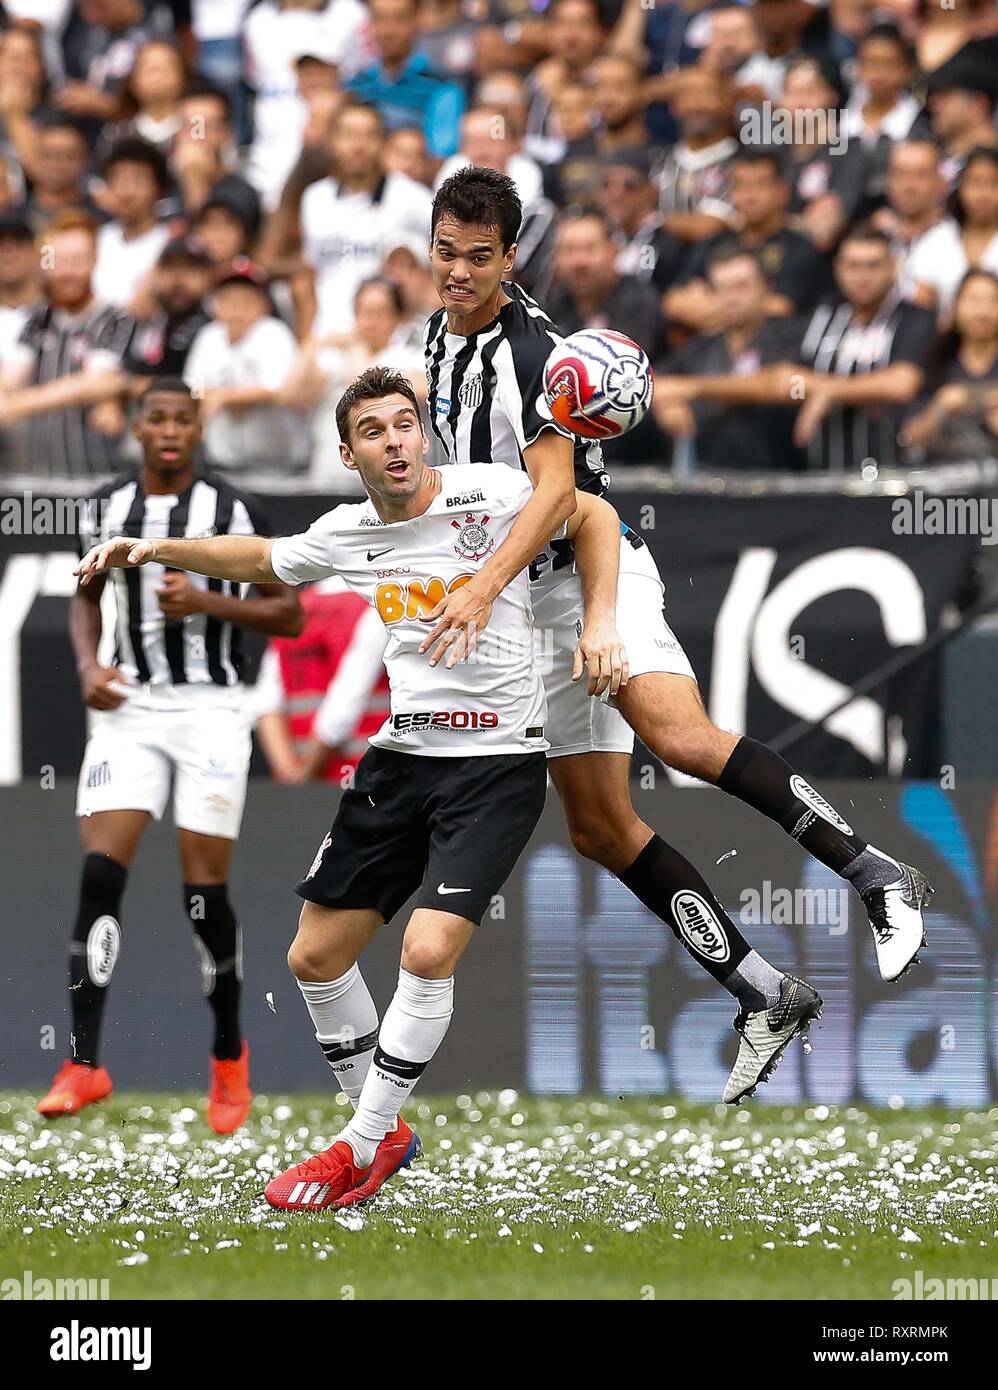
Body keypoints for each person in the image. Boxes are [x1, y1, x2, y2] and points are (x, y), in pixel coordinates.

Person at [423, 167, 932, 1101]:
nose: (459, 272)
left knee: (684, 739)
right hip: (521, 606)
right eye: (447, 253)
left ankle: (877, 877)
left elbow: (565, 500)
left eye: (480, 258)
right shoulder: (436, 338)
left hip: (585, 577)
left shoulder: (537, 355)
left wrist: (560, 610)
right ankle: (762, 991)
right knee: (600, 827)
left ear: (511, 256)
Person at [74, 365, 613, 1208]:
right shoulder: (351, 530)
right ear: (347, 452)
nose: (395, 441)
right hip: (400, 762)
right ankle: (384, 1131)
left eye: (406, 424)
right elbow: (262, 560)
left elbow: (596, 513)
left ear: (424, 431)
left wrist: (604, 622)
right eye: (374, 431)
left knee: (426, 952)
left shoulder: (494, 494)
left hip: (498, 766)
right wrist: (150, 548)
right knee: (313, 956)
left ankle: (357, 1146)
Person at [38, 377, 303, 1130]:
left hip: (214, 711)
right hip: (131, 711)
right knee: (98, 874)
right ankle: (84, 1063)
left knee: (203, 898)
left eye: (181, 420)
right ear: (137, 426)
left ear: (197, 428)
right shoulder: (105, 507)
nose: (167, 431)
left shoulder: (236, 511)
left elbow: (288, 613)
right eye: (155, 418)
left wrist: (209, 600)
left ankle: (227, 1057)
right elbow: (85, 594)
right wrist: (89, 666)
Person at [791, 221, 940, 469]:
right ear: (838, 268)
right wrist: (806, 391)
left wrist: (828, 392)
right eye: (853, 266)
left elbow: (901, 385)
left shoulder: (915, 318)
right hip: (820, 474)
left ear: (893, 268)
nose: (863, 276)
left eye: (873, 266)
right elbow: (791, 382)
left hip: (895, 475)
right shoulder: (822, 316)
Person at [0, 211, 133, 477]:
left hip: (99, 478)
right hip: (43, 479)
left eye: (77, 261)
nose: (66, 272)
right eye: (58, 261)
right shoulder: (40, 317)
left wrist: (16, 405)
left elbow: (94, 383)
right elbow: (12, 374)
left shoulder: (115, 319)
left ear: (94, 262)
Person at [654, 244, 805, 471]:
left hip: (781, 478)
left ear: (768, 288)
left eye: (742, 286)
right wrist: (665, 404)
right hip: (710, 480)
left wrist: (692, 389)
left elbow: (777, 384)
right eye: (722, 288)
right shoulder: (704, 345)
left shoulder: (791, 336)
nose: (732, 298)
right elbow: (655, 381)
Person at [297, 99, 433, 337]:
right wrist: (306, 339)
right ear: (332, 142)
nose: (358, 145)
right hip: (329, 338)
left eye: (369, 135)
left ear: (383, 143)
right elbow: (309, 274)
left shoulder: (414, 198)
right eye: (348, 135)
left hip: (390, 342)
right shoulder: (314, 199)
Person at [281, 274, 426, 486]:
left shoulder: (410, 357)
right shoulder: (337, 360)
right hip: (327, 479)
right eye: (365, 312)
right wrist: (313, 344)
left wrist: (355, 346)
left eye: (381, 312)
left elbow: (364, 385)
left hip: (390, 486)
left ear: (397, 318)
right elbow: (289, 395)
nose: (371, 321)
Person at [665, 148, 830, 332]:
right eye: (740, 185)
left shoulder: (800, 249)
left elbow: (781, 308)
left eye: (761, 185)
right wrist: (747, 308)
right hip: (712, 352)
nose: (749, 196)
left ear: (783, 192)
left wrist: (706, 303)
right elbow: (673, 301)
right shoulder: (715, 242)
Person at [252, 578, 389, 783]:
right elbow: (347, 700)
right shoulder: (379, 604)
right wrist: (305, 774)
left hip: (299, 781)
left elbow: (266, 704)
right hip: (361, 776)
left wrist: (290, 776)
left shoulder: (298, 606)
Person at [182, 259, 306, 474]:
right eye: (229, 300)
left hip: (278, 464)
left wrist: (225, 398)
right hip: (223, 462)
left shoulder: (273, 332)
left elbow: (279, 390)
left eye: (246, 300)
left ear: (264, 304)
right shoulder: (209, 335)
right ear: (216, 304)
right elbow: (190, 388)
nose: (236, 309)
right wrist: (220, 396)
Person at [347, 0, 466, 159]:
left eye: (399, 19)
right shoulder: (357, 84)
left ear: (417, 20)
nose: (389, 31)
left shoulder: (442, 87)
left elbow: (440, 158)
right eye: (380, 19)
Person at [904, 268, 998, 460]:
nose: (983, 311)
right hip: (944, 483)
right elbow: (910, 438)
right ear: (955, 307)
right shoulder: (934, 359)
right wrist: (940, 408)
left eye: (993, 300)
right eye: (973, 300)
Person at [909, 147, 998, 325]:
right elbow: (921, 308)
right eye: (975, 183)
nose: (983, 193)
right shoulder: (936, 240)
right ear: (960, 188)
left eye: (993, 183)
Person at [93, 137, 172, 314]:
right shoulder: (98, 238)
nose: (125, 192)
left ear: (159, 190)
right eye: (117, 180)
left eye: (138, 181)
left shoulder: (170, 243)